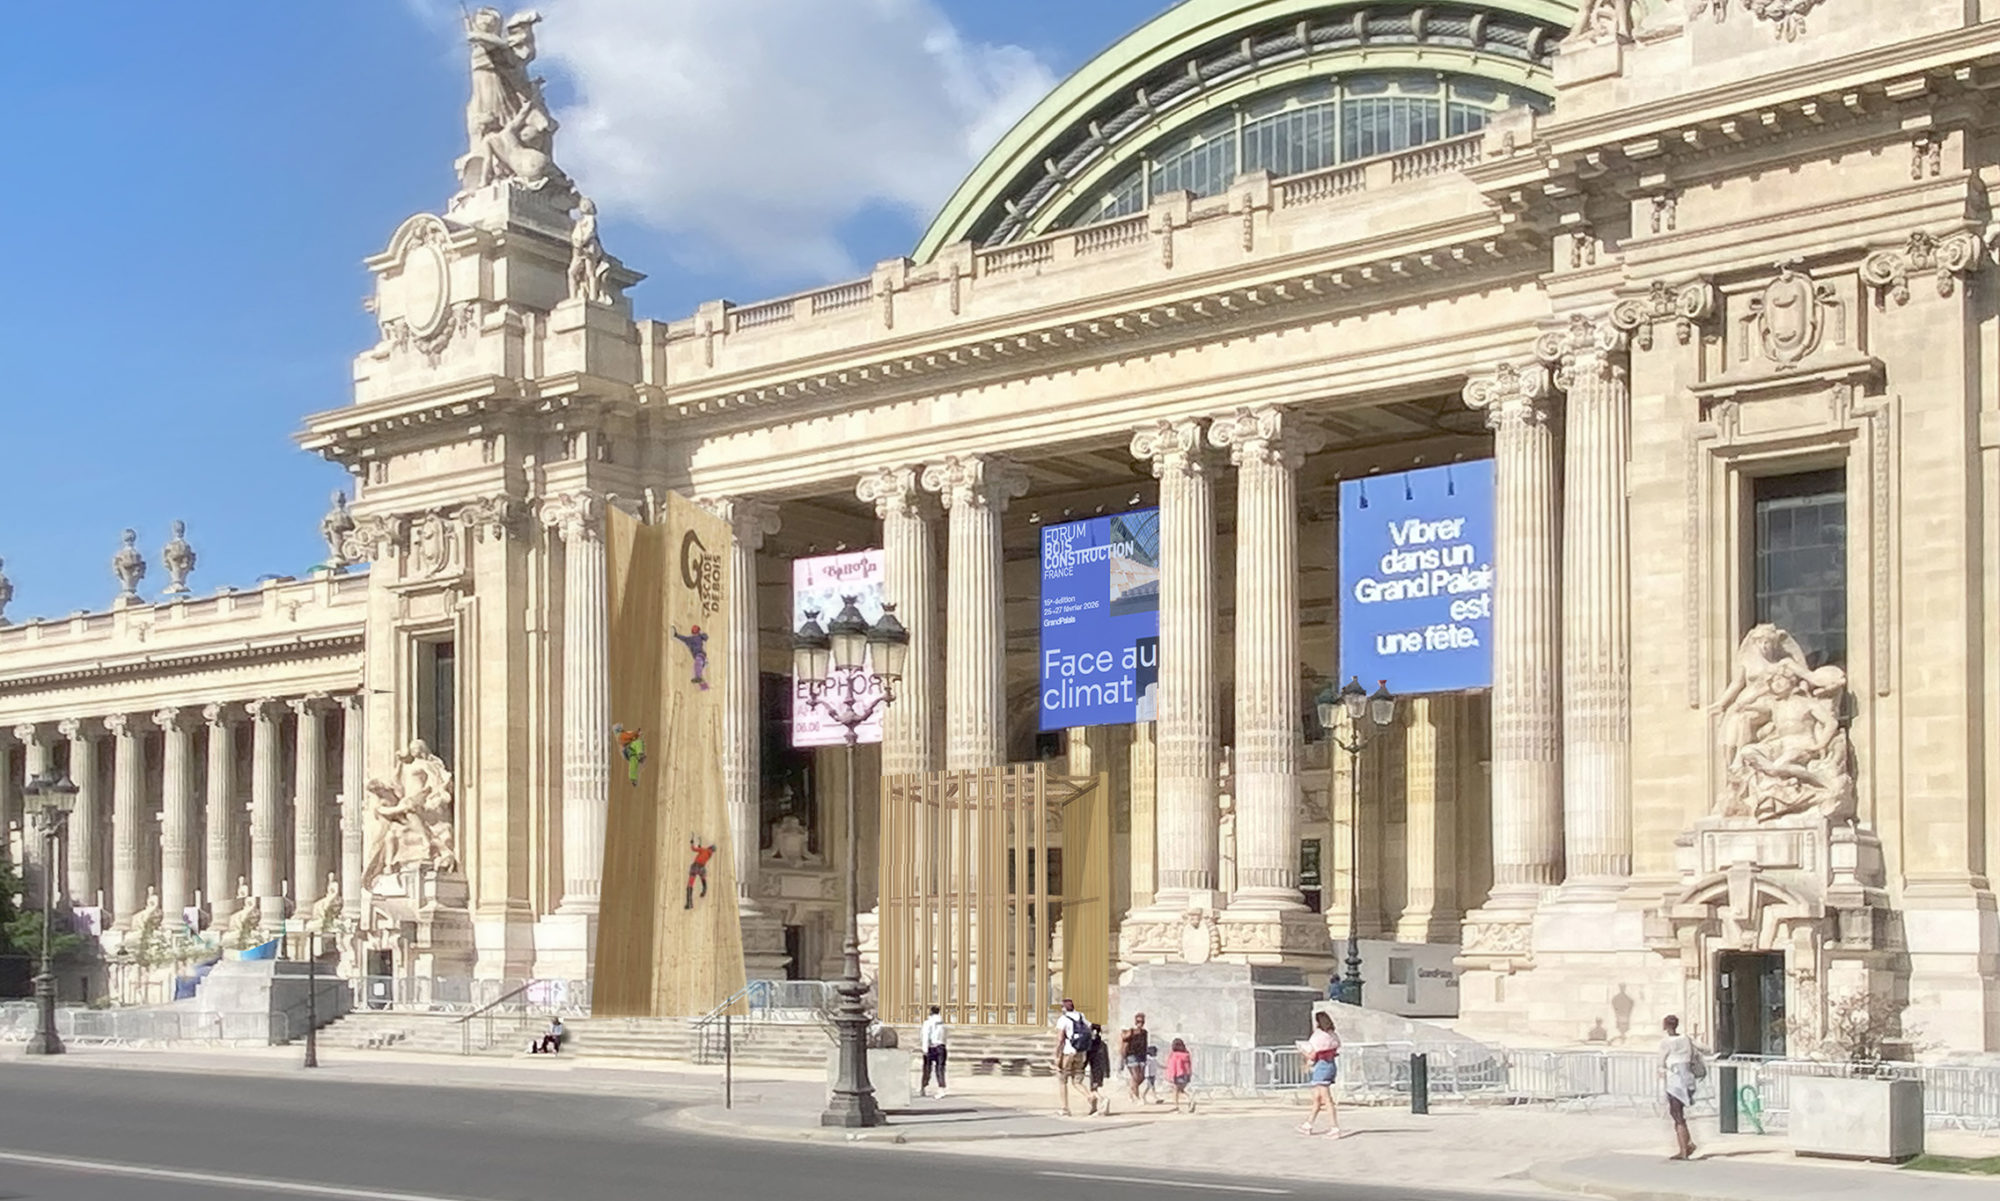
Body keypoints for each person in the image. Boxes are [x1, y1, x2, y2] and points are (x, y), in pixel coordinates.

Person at [1297, 1011, 1349, 1138]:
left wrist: (1302, 1050)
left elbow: (1312, 1054)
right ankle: (1308, 1124)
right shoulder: (1333, 1035)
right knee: (1317, 1098)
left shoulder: (1318, 1036)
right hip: (1330, 1064)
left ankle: (1334, 1127)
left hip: (1321, 1066)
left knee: (1326, 1099)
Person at [1660, 1014, 1702, 1160]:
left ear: (1665, 1026)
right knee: (1678, 1113)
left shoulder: (1666, 1042)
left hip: (1675, 1081)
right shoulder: (1686, 1038)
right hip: (1688, 1079)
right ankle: (1688, 1144)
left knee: (1677, 1115)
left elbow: (1661, 1062)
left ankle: (1684, 1150)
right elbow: (1706, 1048)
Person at [1052, 998, 1091, 1116]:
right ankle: (1090, 1096)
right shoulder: (1081, 1016)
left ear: (1063, 1009)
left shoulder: (1063, 1020)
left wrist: (1057, 1055)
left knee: (1062, 1080)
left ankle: (1065, 1108)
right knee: (1077, 1080)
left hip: (1068, 1052)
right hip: (1080, 1051)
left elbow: (1060, 1039)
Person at [1119, 1013, 1150, 1103]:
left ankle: (1131, 1093)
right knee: (1136, 1077)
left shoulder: (1145, 1032)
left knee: (1141, 1077)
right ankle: (1137, 1097)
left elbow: (1145, 1045)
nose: (1140, 1023)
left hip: (1142, 1056)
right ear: (1135, 1022)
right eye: (1138, 1021)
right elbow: (1123, 1040)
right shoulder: (1131, 1031)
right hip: (1132, 1056)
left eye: (1142, 1021)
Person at [920, 1005, 949, 1098]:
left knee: (927, 1068)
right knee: (940, 1069)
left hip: (931, 1047)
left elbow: (925, 1035)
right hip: (941, 1046)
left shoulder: (928, 1022)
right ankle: (941, 1088)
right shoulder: (943, 1023)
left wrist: (924, 1048)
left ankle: (923, 1087)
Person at [1086, 1023, 1114, 1116]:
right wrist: (1107, 1071)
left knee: (1093, 1089)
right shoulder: (1103, 1044)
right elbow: (1106, 1059)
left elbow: (1088, 1057)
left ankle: (1103, 1100)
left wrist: (1083, 1066)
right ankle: (1093, 1108)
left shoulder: (1091, 1044)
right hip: (1101, 1069)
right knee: (1094, 1088)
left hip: (1094, 1069)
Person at [1166, 1038, 1194, 1113]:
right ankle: (1190, 1099)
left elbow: (1173, 1066)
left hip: (1177, 1075)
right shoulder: (1186, 1054)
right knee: (1181, 1090)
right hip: (1186, 1075)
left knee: (1175, 1091)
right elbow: (1189, 1066)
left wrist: (1170, 1076)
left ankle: (1176, 1106)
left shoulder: (1174, 1055)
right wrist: (1189, 1075)